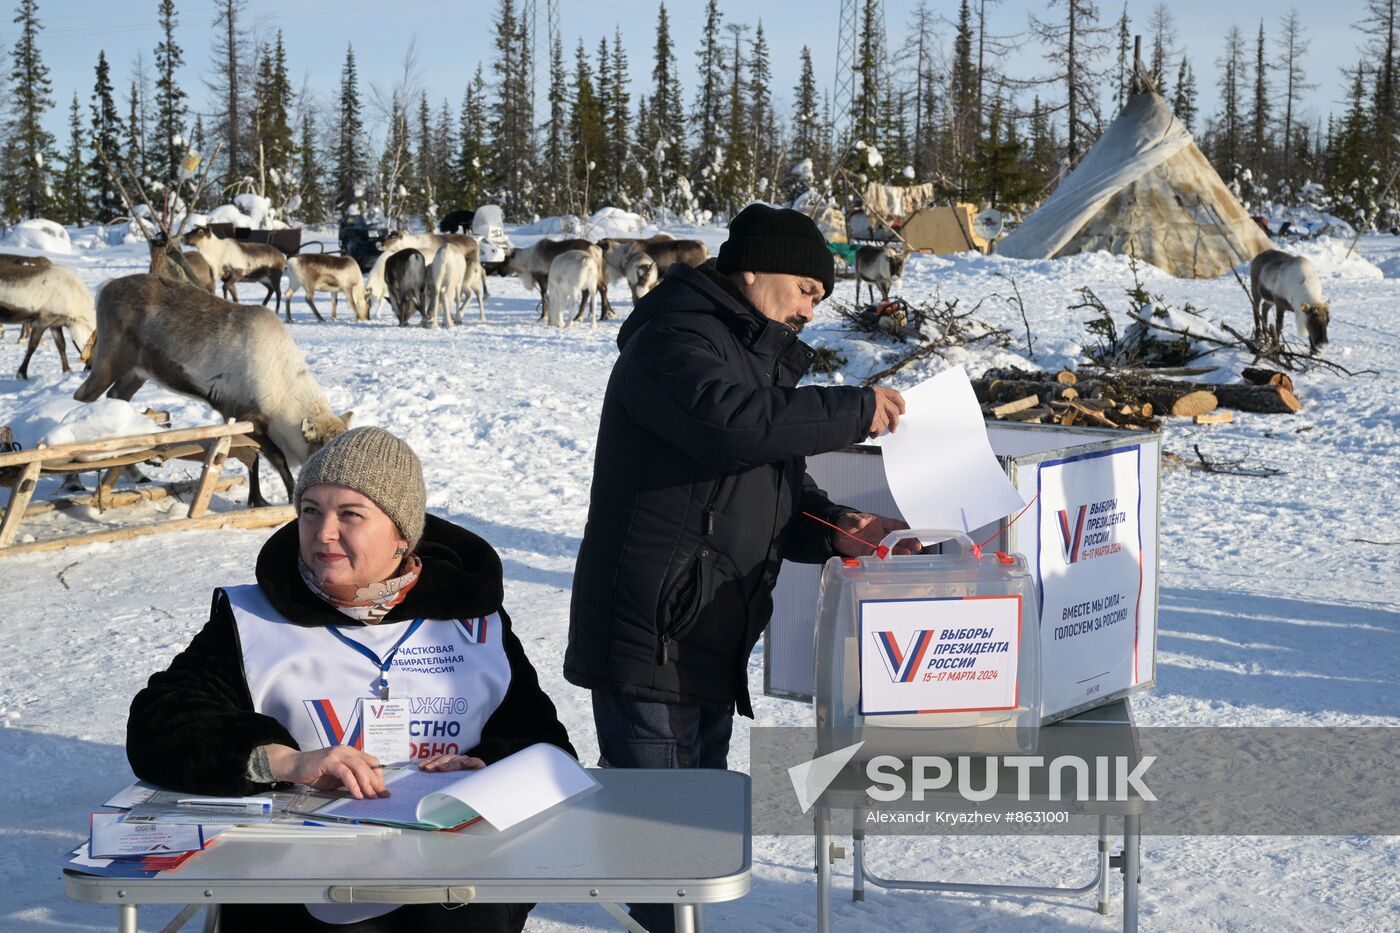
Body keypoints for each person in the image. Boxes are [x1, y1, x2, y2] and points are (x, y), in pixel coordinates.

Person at [565, 202, 910, 930]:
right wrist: (854, 410)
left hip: (709, 628)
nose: (812, 310)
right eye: (807, 290)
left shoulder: (750, 352)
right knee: (662, 847)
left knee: (697, 834)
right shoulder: (675, 336)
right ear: (751, 267)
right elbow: (726, 425)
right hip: (651, 629)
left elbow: (768, 476)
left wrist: (837, 524)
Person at [127, 426, 574, 933]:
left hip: (453, 868)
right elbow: (159, 727)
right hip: (295, 870)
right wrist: (288, 760)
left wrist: (485, 764)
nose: (323, 534)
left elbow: (547, 748)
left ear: (402, 534)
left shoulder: (474, 621)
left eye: (350, 515)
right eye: (311, 511)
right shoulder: (254, 619)